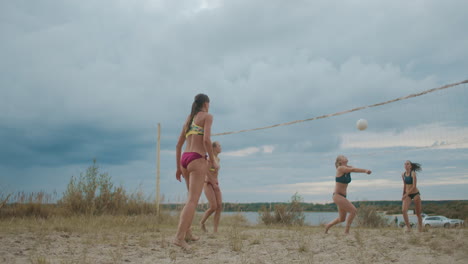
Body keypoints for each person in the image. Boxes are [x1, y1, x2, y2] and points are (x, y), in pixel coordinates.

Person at [174, 94, 218, 249]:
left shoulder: (189, 118)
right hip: (197, 158)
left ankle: (187, 233)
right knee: (193, 200)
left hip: (185, 158)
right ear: (206, 103)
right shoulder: (207, 116)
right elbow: (206, 140)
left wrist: (178, 167)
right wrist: (212, 160)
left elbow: (179, 145)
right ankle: (179, 238)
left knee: (189, 200)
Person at [325, 155, 372, 234]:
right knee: (353, 211)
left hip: (343, 196)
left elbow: (353, 169)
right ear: (340, 161)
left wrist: (363, 170)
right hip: (337, 195)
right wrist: (365, 171)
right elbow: (353, 169)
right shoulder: (340, 168)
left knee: (342, 219)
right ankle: (346, 231)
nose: (345, 157)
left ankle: (328, 225)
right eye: (343, 157)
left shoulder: (348, 167)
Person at [200, 141, 223, 233]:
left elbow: (214, 172)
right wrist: (212, 183)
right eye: (219, 146)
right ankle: (202, 222)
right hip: (208, 183)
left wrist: (215, 183)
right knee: (213, 206)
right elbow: (206, 171)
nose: (221, 147)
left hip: (215, 183)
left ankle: (215, 231)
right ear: (213, 148)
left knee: (219, 206)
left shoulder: (218, 159)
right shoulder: (209, 159)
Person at [401, 160, 423, 232]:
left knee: (418, 213)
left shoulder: (413, 173)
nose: (406, 165)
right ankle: (408, 228)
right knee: (404, 210)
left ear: (410, 166)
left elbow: (414, 186)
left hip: (415, 194)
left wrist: (406, 194)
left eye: (407, 164)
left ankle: (420, 228)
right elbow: (404, 185)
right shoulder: (403, 174)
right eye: (405, 164)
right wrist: (403, 194)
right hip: (407, 194)